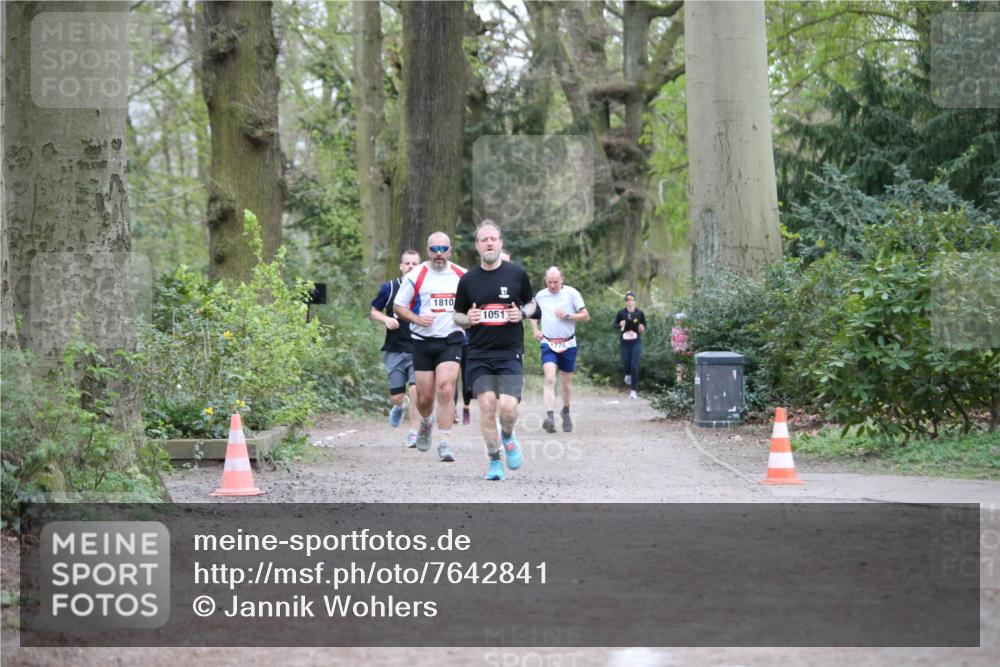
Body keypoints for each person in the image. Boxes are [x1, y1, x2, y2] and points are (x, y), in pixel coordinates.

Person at [453, 221, 536, 481]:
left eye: (493, 239)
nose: (489, 243)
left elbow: (532, 303)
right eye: (484, 239)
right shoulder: (468, 280)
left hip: (509, 352)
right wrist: (469, 319)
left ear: (500, 243)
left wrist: (521, 313)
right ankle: (494, 461)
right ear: (477, 246)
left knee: (508, 409)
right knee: (488, 406)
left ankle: (508, 436)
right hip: (479, 354)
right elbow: (456, 315)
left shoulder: (517, 274)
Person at [393, 232, 466, 462]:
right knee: (424, 398)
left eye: (443, 249)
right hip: (423, 341)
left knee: (446, 387)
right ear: (428, 251)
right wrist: (417, 319)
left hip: (451, 339)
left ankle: (445, 442)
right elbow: (398, 306)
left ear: (450, 251)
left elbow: (474, 303)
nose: (439, 253)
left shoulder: (462, 275)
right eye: (434, 249)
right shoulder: (416, 275)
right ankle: (425, 422)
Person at [370, 249, 422, 447]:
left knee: (416, 390)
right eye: (407, 263)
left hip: (418, 348)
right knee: (397, 396)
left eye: (414, 264)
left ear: (420, 267)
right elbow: (374, 311)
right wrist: (386, 319)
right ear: (401, 266)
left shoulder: (424, 289)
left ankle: (414, 432)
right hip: (394, 349)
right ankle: (401, 405)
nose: (410, 266)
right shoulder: (390, 288)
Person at [529, 266, 589, 433]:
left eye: (555, 282)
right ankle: (550, 417)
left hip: (568, 344)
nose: (552, 285)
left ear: (562, 279)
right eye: (549, 282)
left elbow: (585, 316)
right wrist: (535, 330)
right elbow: (533, 313)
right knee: (549, 378)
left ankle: (566, 411)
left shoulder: (572, 293)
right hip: (548, 343)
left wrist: (568, 315)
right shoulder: (541, 295)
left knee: (566, 384)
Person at [614, 290, 647, 400]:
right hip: (625, 342)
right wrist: (620, 325)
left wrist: (641, 328)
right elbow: (614, 325)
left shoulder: (639, 313)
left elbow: (643, 326)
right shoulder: (621, 313)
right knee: (626, 363)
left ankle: (633, 391)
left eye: (632, 299)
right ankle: (627, 374)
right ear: (625, 301)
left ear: (634, 301)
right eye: (627, 299)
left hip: (636, 342)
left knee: (634, 365)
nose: (630, 301)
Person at [671, 312, 691, 383]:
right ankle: (679, 385)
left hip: (686, 352)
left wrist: (685, 348)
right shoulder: (674, 329)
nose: (679, 321)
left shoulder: (688, 329)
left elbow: (690, 341)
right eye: (678, 320)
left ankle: (686, 384)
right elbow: (672, 340)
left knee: (686, 371)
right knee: (679, 370)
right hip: (677, 352)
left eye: (681, 320)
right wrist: (674, 347)